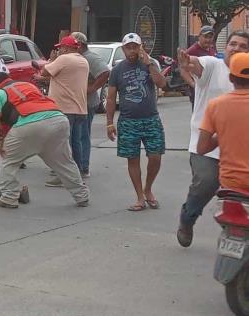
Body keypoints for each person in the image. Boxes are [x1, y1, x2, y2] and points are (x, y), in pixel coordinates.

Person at [176, 30, 249, 247]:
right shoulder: (213, 65)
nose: (236, 48)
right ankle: (187, 218)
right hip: (205, 145)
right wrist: (189, 62)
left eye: (242, 46)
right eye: (232, 44)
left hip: (239, 147)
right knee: (207, 183)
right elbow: (197, 64)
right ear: (224, 47)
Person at [0, 75, 90, 209]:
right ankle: (82, 196)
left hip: (29, 124)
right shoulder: (28, 85)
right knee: (64, 162)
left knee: (6, 159)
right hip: (58, 120)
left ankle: (9, 198)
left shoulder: (0, 93)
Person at [105, 33, 168, 211]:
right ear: (124, 49)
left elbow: (162, 84)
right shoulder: (117, 70)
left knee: (155, 156)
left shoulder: (150, 64)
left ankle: (148, 189)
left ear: (141, 48)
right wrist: (109, 123)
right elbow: (111, 98)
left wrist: (149, 65)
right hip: (128, 121)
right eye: (128, 47)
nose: (132, 50)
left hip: (151, 119)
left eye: (135, 47)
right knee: (132, 159)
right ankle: (140, 196)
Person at [36, 35, 90, 183]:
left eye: (60, 48)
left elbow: (45, 72)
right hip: (80, 108)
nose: (58, 50)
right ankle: (78, 172)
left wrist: (52, 59)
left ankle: (64, 176)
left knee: (61, 144)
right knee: (75, 142)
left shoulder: (64, 59)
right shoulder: (83, 61)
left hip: (64, 108)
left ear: (66, 48)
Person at [197, 52, 249, 196]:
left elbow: (201, 148)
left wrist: (222, 134)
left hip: (230, 185)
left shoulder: (215, 105)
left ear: (231, 77)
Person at [72, 32, 110, 178]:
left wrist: (93, 88)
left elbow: (105, 72)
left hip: (86, 103)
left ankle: (83, 166)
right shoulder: (77, 58)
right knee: (75, 135)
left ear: (79, 45)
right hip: (75, 103)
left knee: (82, 135)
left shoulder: (91, 58)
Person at [181, 25, 217, 107]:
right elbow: (183, 70)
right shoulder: (192, 50)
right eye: (205, 37)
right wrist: (193, 84)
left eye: (210, 37)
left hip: (210, 89)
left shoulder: (212, 49)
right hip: (198, 91)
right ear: (199, 37)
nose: (208, 40)